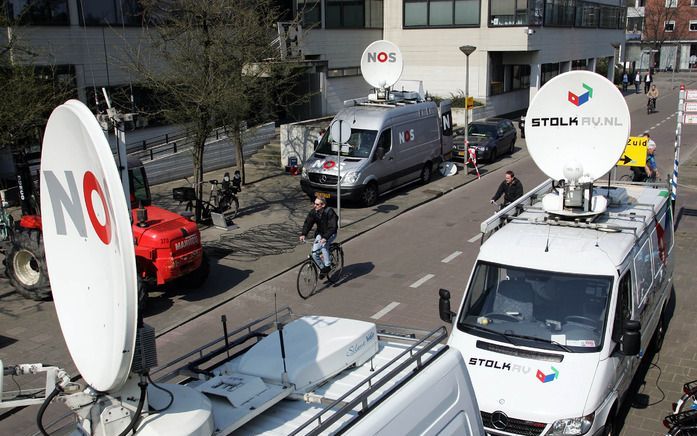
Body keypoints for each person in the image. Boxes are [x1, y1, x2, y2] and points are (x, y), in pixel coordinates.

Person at [300, 195, 338, 277]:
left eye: (317, 204)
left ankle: (327, 266)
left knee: (324, 246)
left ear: (323, 205)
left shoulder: (329, 212)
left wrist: (325, 238)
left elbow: (332, 227)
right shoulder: (314, 212)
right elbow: (308, 223)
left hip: (331, 233)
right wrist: (303, 234)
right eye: (314, 203)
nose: (315, 206)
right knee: (314, 253)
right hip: (320, 233)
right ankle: (323, 268)